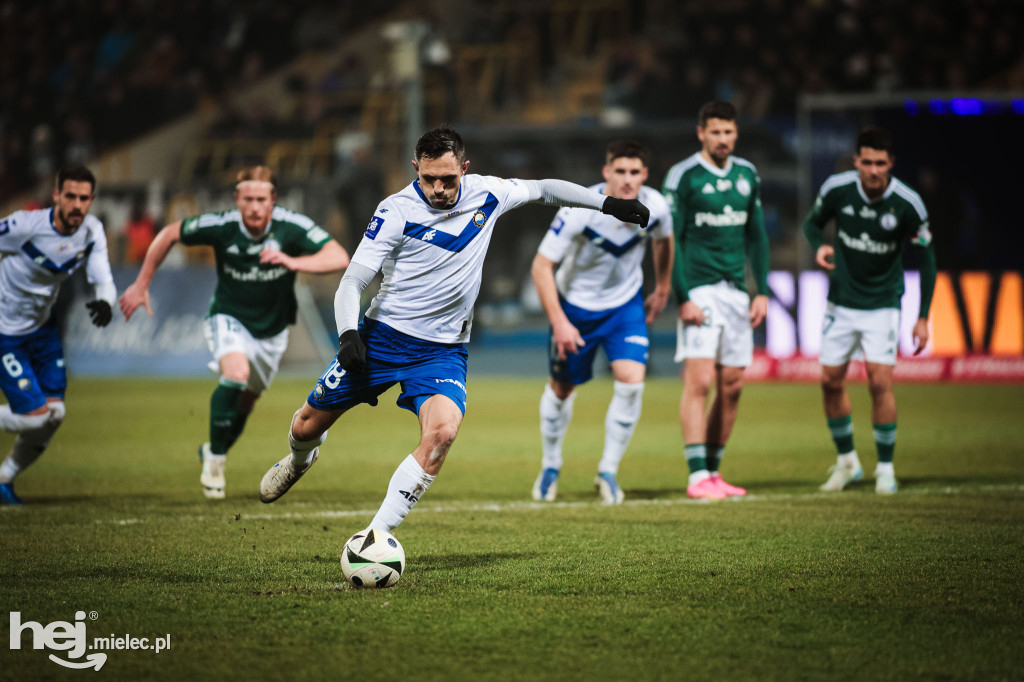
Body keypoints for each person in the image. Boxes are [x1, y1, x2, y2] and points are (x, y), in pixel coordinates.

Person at [257, 126, 650, 533]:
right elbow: (352, 282)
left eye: (449, 178)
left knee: (442, 432)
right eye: (429, 179)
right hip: (382, 339)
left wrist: (607, 204)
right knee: (306, 425)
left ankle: (376, 535)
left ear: (464, 168)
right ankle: (299, 460)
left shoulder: (489, 192)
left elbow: (546, 189)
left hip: (442, 351)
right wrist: (347, 335)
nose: (439, 188)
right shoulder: (395, 210)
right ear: (416, 169)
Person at [119, 166, 350, 499]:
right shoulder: (222, 225)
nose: (254, 207)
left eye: (261, 199)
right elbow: (170, 233)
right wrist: (142, 284)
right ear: (237, 200)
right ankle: (215, 460)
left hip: (272, 331)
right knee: (236, 374)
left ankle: (214, 446)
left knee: (246, 402)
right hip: (228, 316)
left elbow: (338, 255)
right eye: (248, 199)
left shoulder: (291, 226)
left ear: (272, 200)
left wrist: (292, 262)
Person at [529, 140, 673, 505]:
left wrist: (663, 287)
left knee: (632, 382)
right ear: (606, 172)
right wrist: (560, 322)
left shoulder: (656, 206)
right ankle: (550, 465)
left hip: (625, 309)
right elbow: (541, 266)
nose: (627, 180)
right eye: (620, 171)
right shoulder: (580, 208)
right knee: (562, 389)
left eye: (634, 172)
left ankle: (608, 469)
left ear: (645, 175)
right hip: (574, 309)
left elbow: (664, 241)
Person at [803, 126, 936, 494]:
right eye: (867, 162)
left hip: (882, 303)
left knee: (879, 381)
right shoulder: (837, 190)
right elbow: (812, 224)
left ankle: (886, 469)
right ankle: (848, 463)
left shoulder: (908, 204)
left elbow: (927, 261)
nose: (873, 170)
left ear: (890, 163)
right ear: (857, 161)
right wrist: (819, 245)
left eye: (881, 163)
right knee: (830, 380)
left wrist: (923, 316)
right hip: (841, 302)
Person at [661, 100, 770, 500]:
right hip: (700, 289)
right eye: (715, 132)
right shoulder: (684, 176)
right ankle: (695, 476)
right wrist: (683, 296)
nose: (722, 139)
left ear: (735, 133)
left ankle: (713, 471)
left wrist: (763, 291)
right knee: (700, 380)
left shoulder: (747, 175)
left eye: (728, 132)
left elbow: (756, 235)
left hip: (738, 292)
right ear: (701, 133)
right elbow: (671, 240)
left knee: (733, 384)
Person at [0, 164, 116, 505]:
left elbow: (102, 278)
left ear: (92, 199)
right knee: (34, 418)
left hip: (43, 330)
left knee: (55, 415)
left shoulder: (92, 231)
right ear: (56, 196)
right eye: (70, 196)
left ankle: (4, 476)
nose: (77, 205)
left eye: (84, 198)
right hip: (5, 332)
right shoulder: (25, 226)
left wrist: (106, 302)